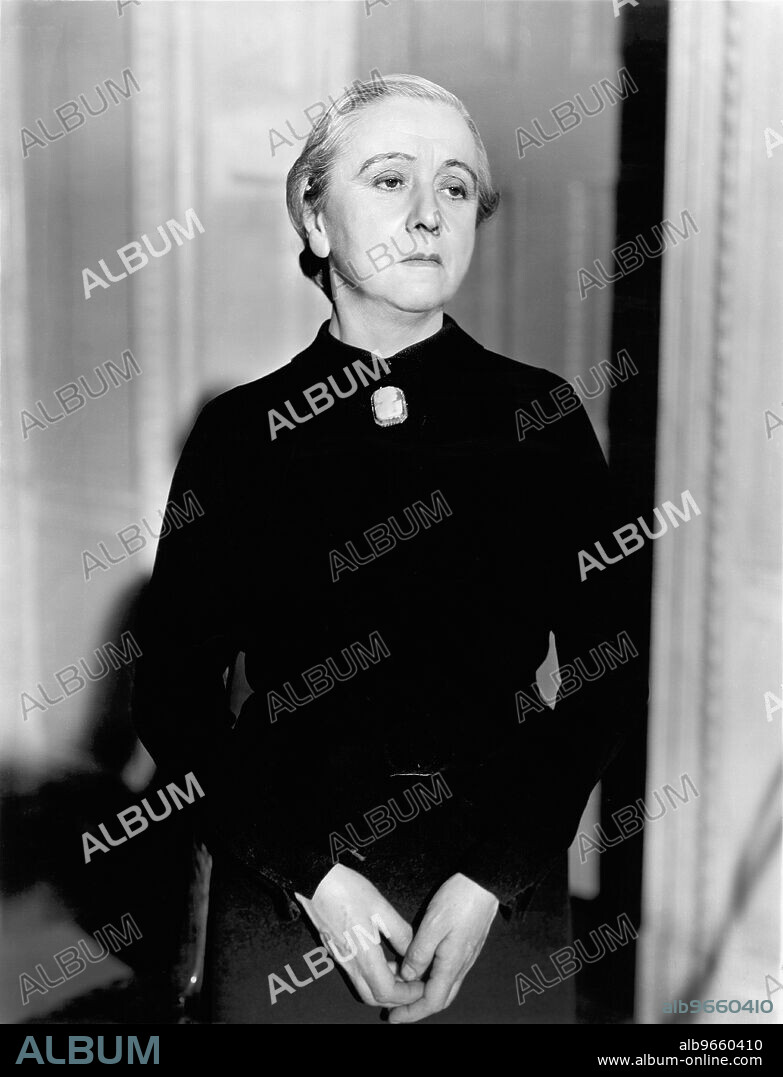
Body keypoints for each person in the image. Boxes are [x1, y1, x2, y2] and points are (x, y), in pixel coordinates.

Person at [132, 73, 646, 1025]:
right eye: (388, 180)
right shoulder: (242, 435)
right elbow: (170, 694)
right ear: (315, 224)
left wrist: (492, 875)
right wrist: (314, 880)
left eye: (455, 189)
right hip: (287, 879)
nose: (426, 216)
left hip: (496, 889)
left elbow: (612, 668)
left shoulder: (540, 416)